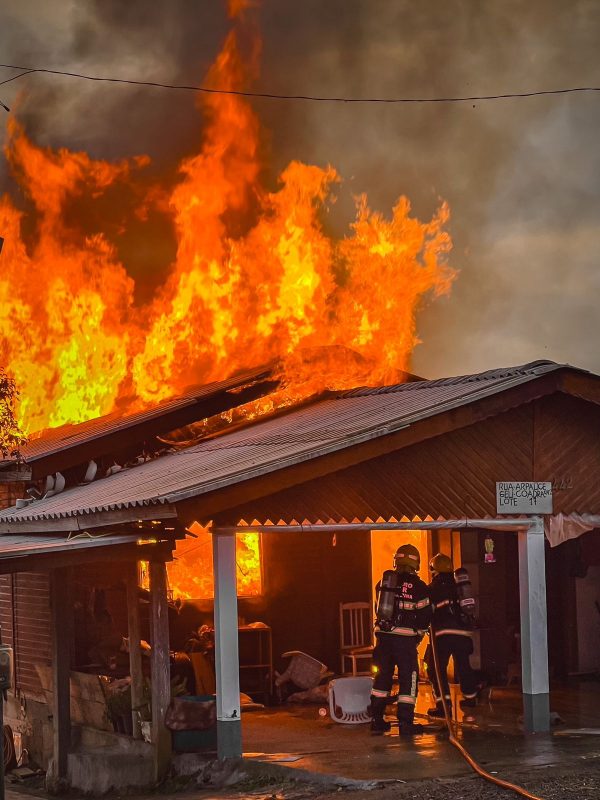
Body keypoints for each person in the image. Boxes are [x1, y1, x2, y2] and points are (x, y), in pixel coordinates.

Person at [370, 543, 432, 736]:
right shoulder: (420, 588)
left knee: (382, 680)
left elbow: (378, 611)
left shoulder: (383, 584)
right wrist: (418, 637)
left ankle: (377, 720)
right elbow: (424, 618)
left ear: (396, 561)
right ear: (416, 563)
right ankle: (405, 723)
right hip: (405, 644)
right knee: (408, 680)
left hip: (384, 642)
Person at [425, 553, 478, 718]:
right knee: (463, 666)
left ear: (434, 570)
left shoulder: (432, 588)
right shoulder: (458, 585)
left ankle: (444, 705)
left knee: (436, 669)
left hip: (443, 634)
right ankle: (470, 698)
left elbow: (427, 612)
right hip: (463, 633)